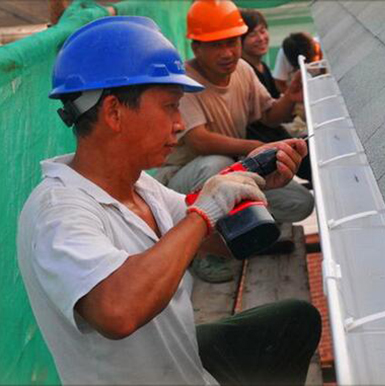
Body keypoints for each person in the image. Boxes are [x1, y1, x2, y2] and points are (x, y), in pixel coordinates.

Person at [17, 16, 321, 385]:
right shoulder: (59, 212)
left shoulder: (140, 186)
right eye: (170, 106)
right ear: (114, 112)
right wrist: (203, 214)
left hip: (185, 365)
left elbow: (220, 241)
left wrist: (253, 180)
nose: (179, 123)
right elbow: (117, 312)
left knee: (294, 320)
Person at [155, 0, 314, 283]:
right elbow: (200, 141)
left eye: (232, 42)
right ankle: (203, 251)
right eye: (217, 45)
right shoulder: (184, 82)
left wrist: (290, 97)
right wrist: (253, 148)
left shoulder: (242, 70)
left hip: (230, 172)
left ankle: (241, 236)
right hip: (181, 182)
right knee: (215, 164)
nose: (228, 52)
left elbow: (268, 114)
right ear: (196, 47)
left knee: (300, 202)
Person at [240, 8, 312, 182]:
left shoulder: (262, 67)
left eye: (263, 31)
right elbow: (269, 117)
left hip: (276, 135)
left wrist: (290, 97)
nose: (261, 38)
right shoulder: (243, 70)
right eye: (252, 35)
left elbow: (274, 112)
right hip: (266, 146)